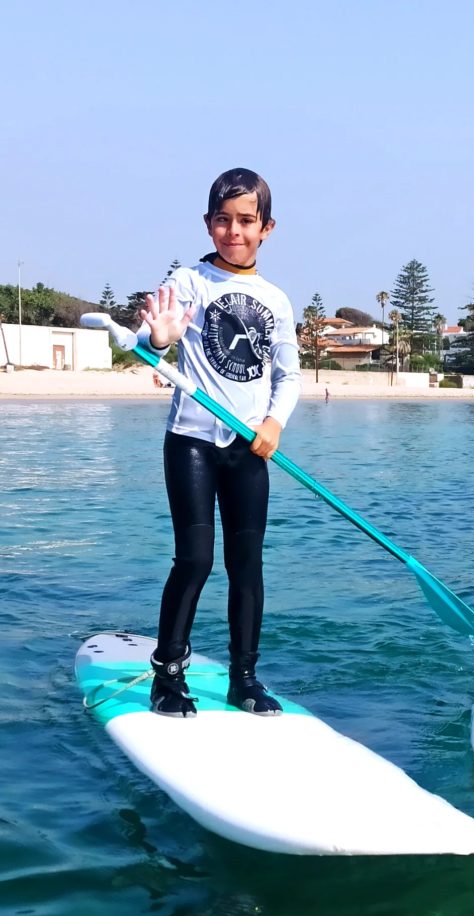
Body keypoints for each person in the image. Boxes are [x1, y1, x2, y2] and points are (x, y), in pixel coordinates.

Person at [138, 168, 301, 717]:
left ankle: (245, 678)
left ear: (267, 228)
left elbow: (289, 377)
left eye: (247, 221)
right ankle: (168, 675)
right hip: (191, 442)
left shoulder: (275, 300)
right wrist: (159, 338)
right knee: (196, 559)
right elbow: (151, 340)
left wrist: (274, 424)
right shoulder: (189, 283)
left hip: (248, 448)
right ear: (209, 225)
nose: (235, 231)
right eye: (224, 220)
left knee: (247, 564)